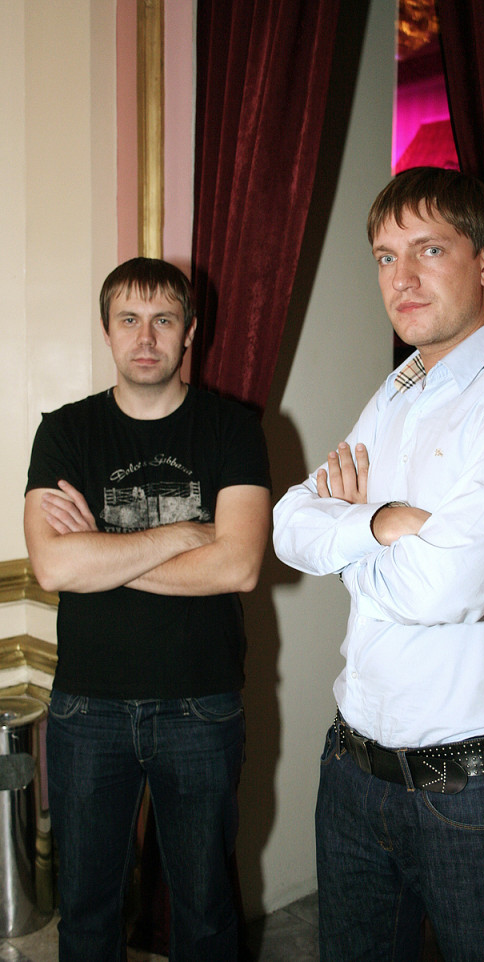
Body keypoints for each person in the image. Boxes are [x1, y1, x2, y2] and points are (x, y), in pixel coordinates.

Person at [273, 167, 484, 962]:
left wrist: (351, 535)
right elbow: (287, 526)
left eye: (429, 249)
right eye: (386, 257)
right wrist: (387, 522)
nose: (402, 279)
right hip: (351, 775)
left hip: (477, 796)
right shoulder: (400, 389)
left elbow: (440, 587)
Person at [24, 258, 271, 962]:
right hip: (86, 709)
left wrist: (102, 552)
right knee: (85, 914)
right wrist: (186, 534)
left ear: (189, 332)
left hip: (201, 705)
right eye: (129, 319)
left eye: (164, 319)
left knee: (206, 913)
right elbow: (54, 567)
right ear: (107, 331)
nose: (146, 336)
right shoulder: (65, 432)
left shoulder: (233, 429)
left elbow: (239, 565)